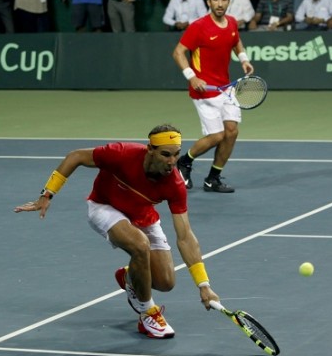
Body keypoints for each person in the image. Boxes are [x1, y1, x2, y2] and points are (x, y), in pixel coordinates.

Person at [14, 124, 220, 339]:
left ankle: (130, 276)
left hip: (142, 215)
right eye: (165, 154)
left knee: (166, 282)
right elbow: (75, 156)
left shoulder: (175, 184)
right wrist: (47, 194)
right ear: (150, 149)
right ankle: (147, 313)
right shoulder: (122, 154)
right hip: (104, 207)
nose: (171, 161)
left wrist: (204, 285)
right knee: (140, 245)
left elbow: (185, 236)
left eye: (176, 155)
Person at [173, 0, 254, 193]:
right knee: (217, 136)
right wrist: (192, 77)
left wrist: (243, 59)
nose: (219, 4)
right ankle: (184, 161)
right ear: (209, 2)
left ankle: (213, 179)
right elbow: (178, 53)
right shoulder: (198, 26)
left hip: (225, 88)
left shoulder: (232, 23)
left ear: (228, 1)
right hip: (203, 90)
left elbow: (236, 41)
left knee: (232, 132)